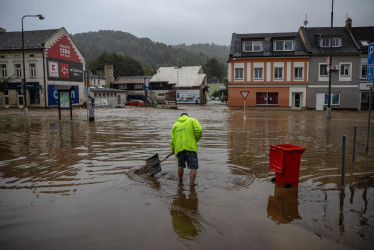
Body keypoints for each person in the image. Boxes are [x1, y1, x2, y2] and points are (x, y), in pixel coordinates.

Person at [170, 113, 202, 186]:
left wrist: (173, 149)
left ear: (180, 117)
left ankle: (180, 182)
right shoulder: (192, 120)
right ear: (187, 116)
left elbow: (172, 140)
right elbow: (199, 130)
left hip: (179, 148)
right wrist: (196, 139)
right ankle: (191, 184)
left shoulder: (175, 125)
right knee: (193, 166)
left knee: (180, 165)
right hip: (190, 147)